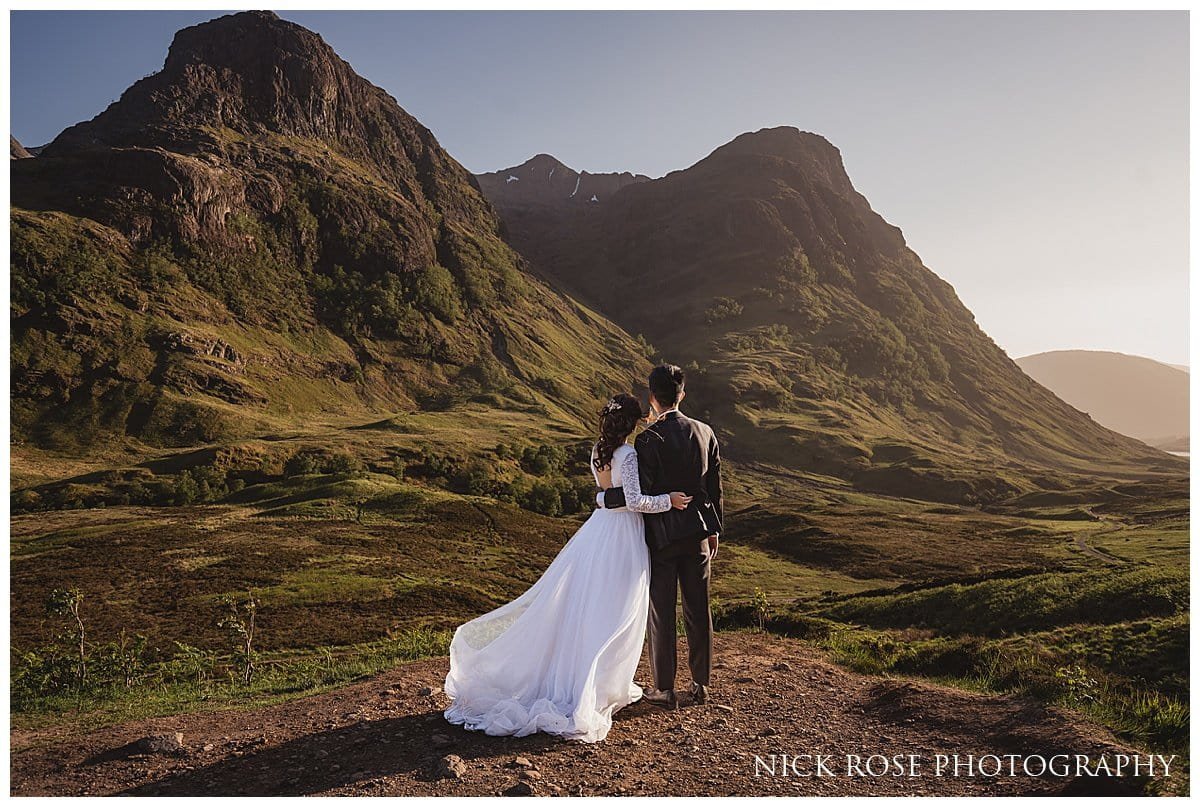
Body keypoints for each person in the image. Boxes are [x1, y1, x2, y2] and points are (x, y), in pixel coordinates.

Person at [442, 393, 692, 742]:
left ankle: (594, 679)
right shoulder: (628, 454)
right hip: (622, 538)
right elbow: (635, 502)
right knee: (619, 611)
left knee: (592, 606)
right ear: (633, 423)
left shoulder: (597, 451)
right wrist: (671, 500)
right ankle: (601, 684)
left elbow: (603, 496)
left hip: (599, 531)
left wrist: (604, 499)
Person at [597, 364, 723, 708]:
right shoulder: (705, 432)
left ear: (652, 398)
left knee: (661, 612)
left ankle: (665, 689)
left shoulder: (648, 440)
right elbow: (713, 488)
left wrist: (601, 499)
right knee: (699, 608)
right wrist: (713, 530)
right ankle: (701, 684)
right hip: (697, 533)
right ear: (682, 395)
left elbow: (641, 495)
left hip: (661, 538)